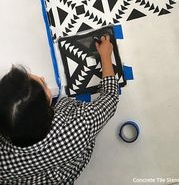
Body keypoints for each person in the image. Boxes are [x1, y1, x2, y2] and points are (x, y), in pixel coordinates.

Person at [0, 35, 119, 184]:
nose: (42, 77)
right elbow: (110, 98)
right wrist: (106, 57)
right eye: (44, 84)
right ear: (48, 110)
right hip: (63, 169)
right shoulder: (77, 129)